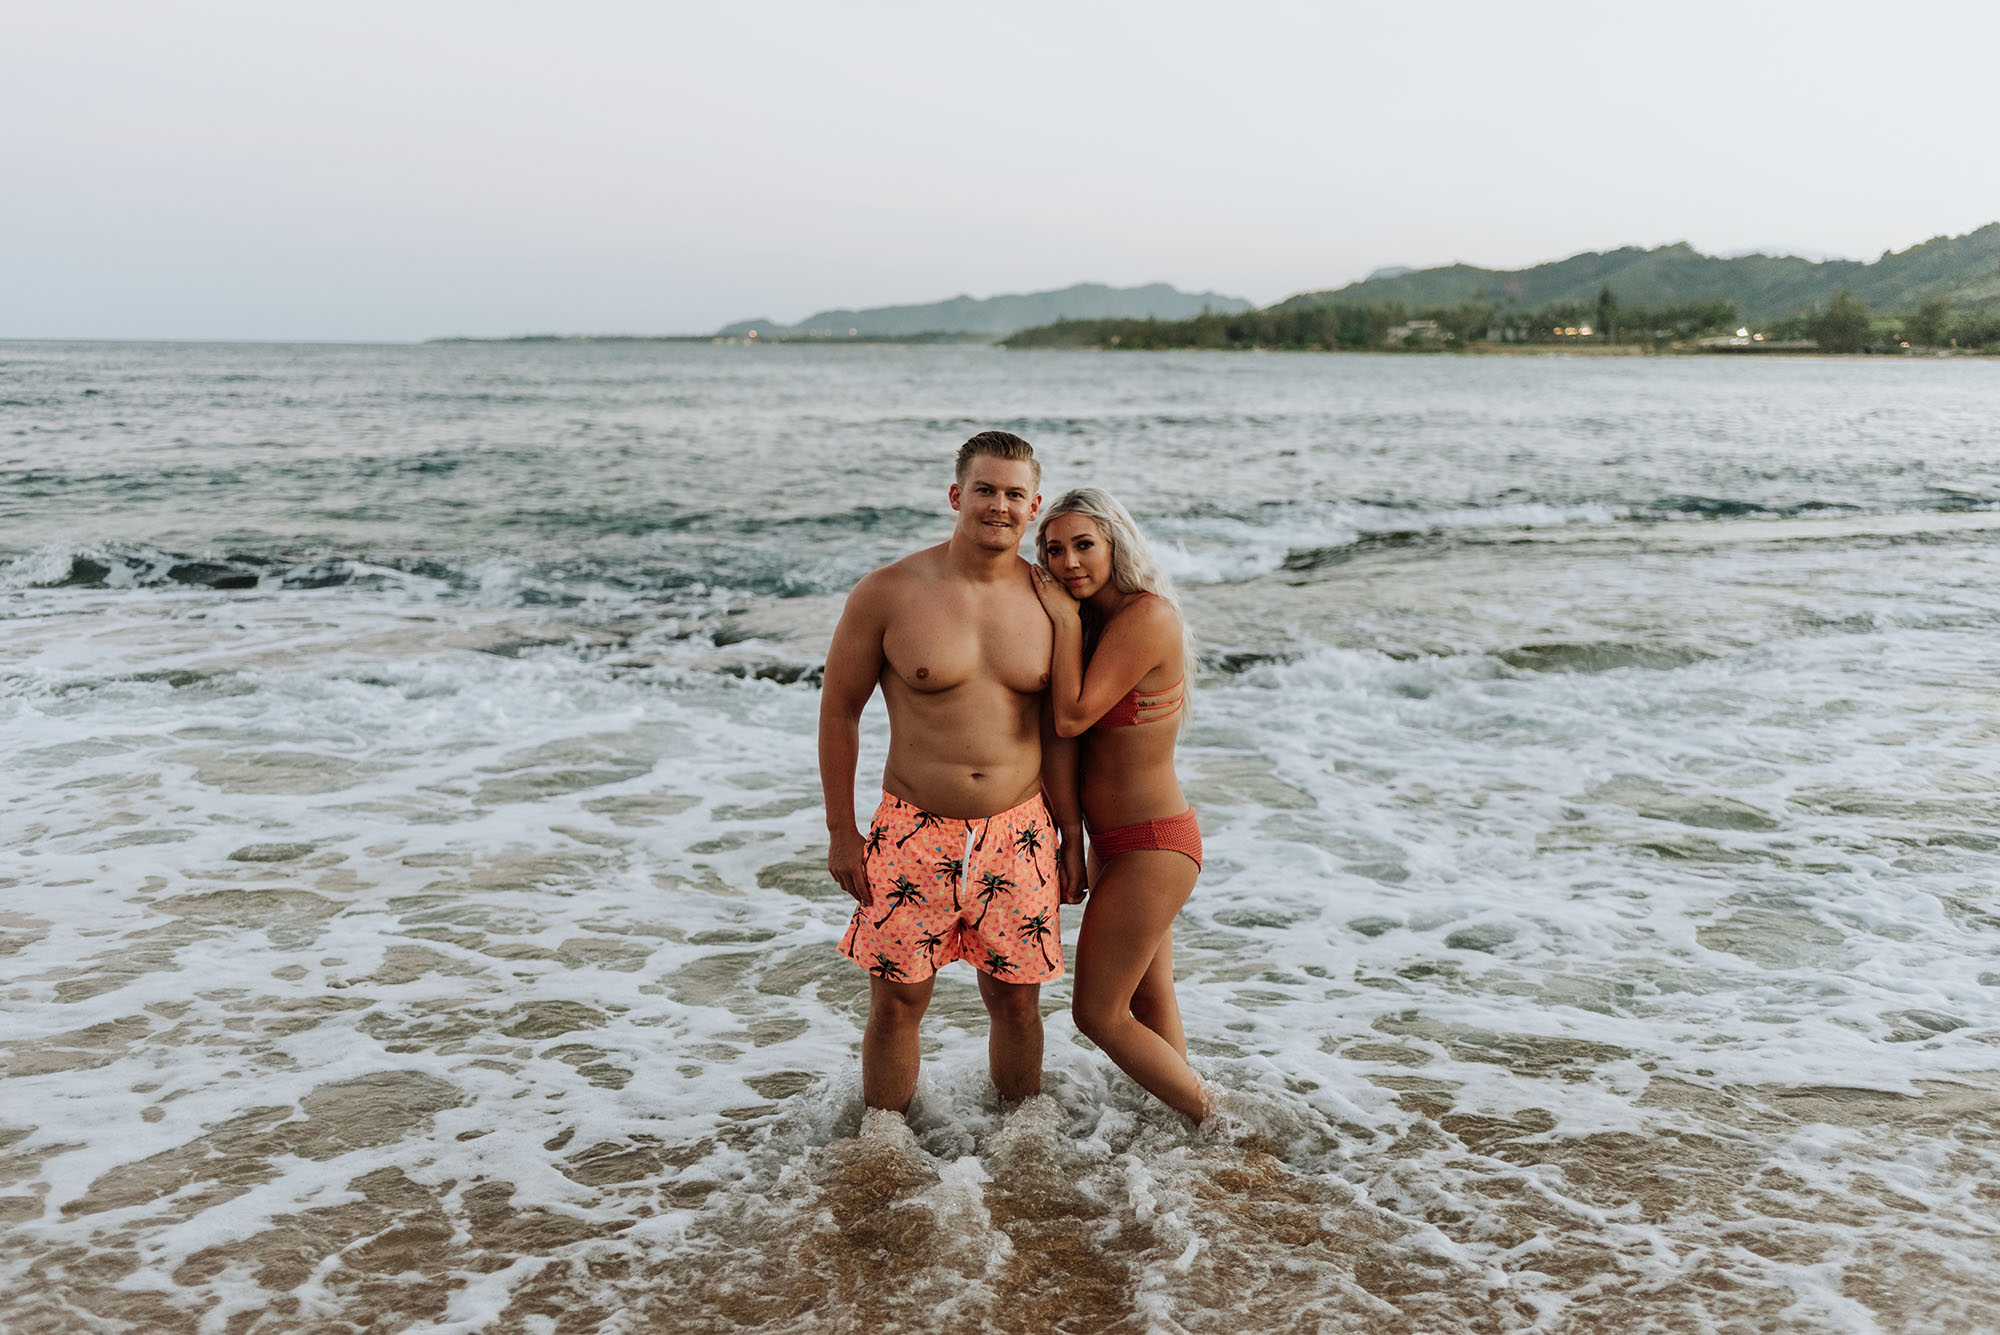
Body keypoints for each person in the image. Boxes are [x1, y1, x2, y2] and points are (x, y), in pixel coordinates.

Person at [820, 431, 1086, 1114]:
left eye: (1014, 494)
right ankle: (882, 1144)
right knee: (895, 1004)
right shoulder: (889, 592)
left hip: (1021, 830)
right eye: (985, 490)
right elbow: (839, 712)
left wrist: (1070, 837)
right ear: (955, 495)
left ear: (1033, 507)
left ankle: (1019, 1142)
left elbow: (1061, 728)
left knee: (1018, 1005)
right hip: (912, 829)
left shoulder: (1053, 601)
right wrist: (841, 831)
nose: (999, 505)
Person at [1031, 488, 1209, 1122]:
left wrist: (1058, 619)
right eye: (1054, 550)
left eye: (1084, 544)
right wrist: (1072, 843)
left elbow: (1073, 716)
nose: (1069, 562)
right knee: (1151, 998)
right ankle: (1186, 1133)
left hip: (1155, 843)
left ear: (1115, 544)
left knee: (1098, 1012)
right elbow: (1068, 746)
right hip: (1117, 845)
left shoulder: (1145, 615)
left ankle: (1224, 1125)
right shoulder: (1093, 624)